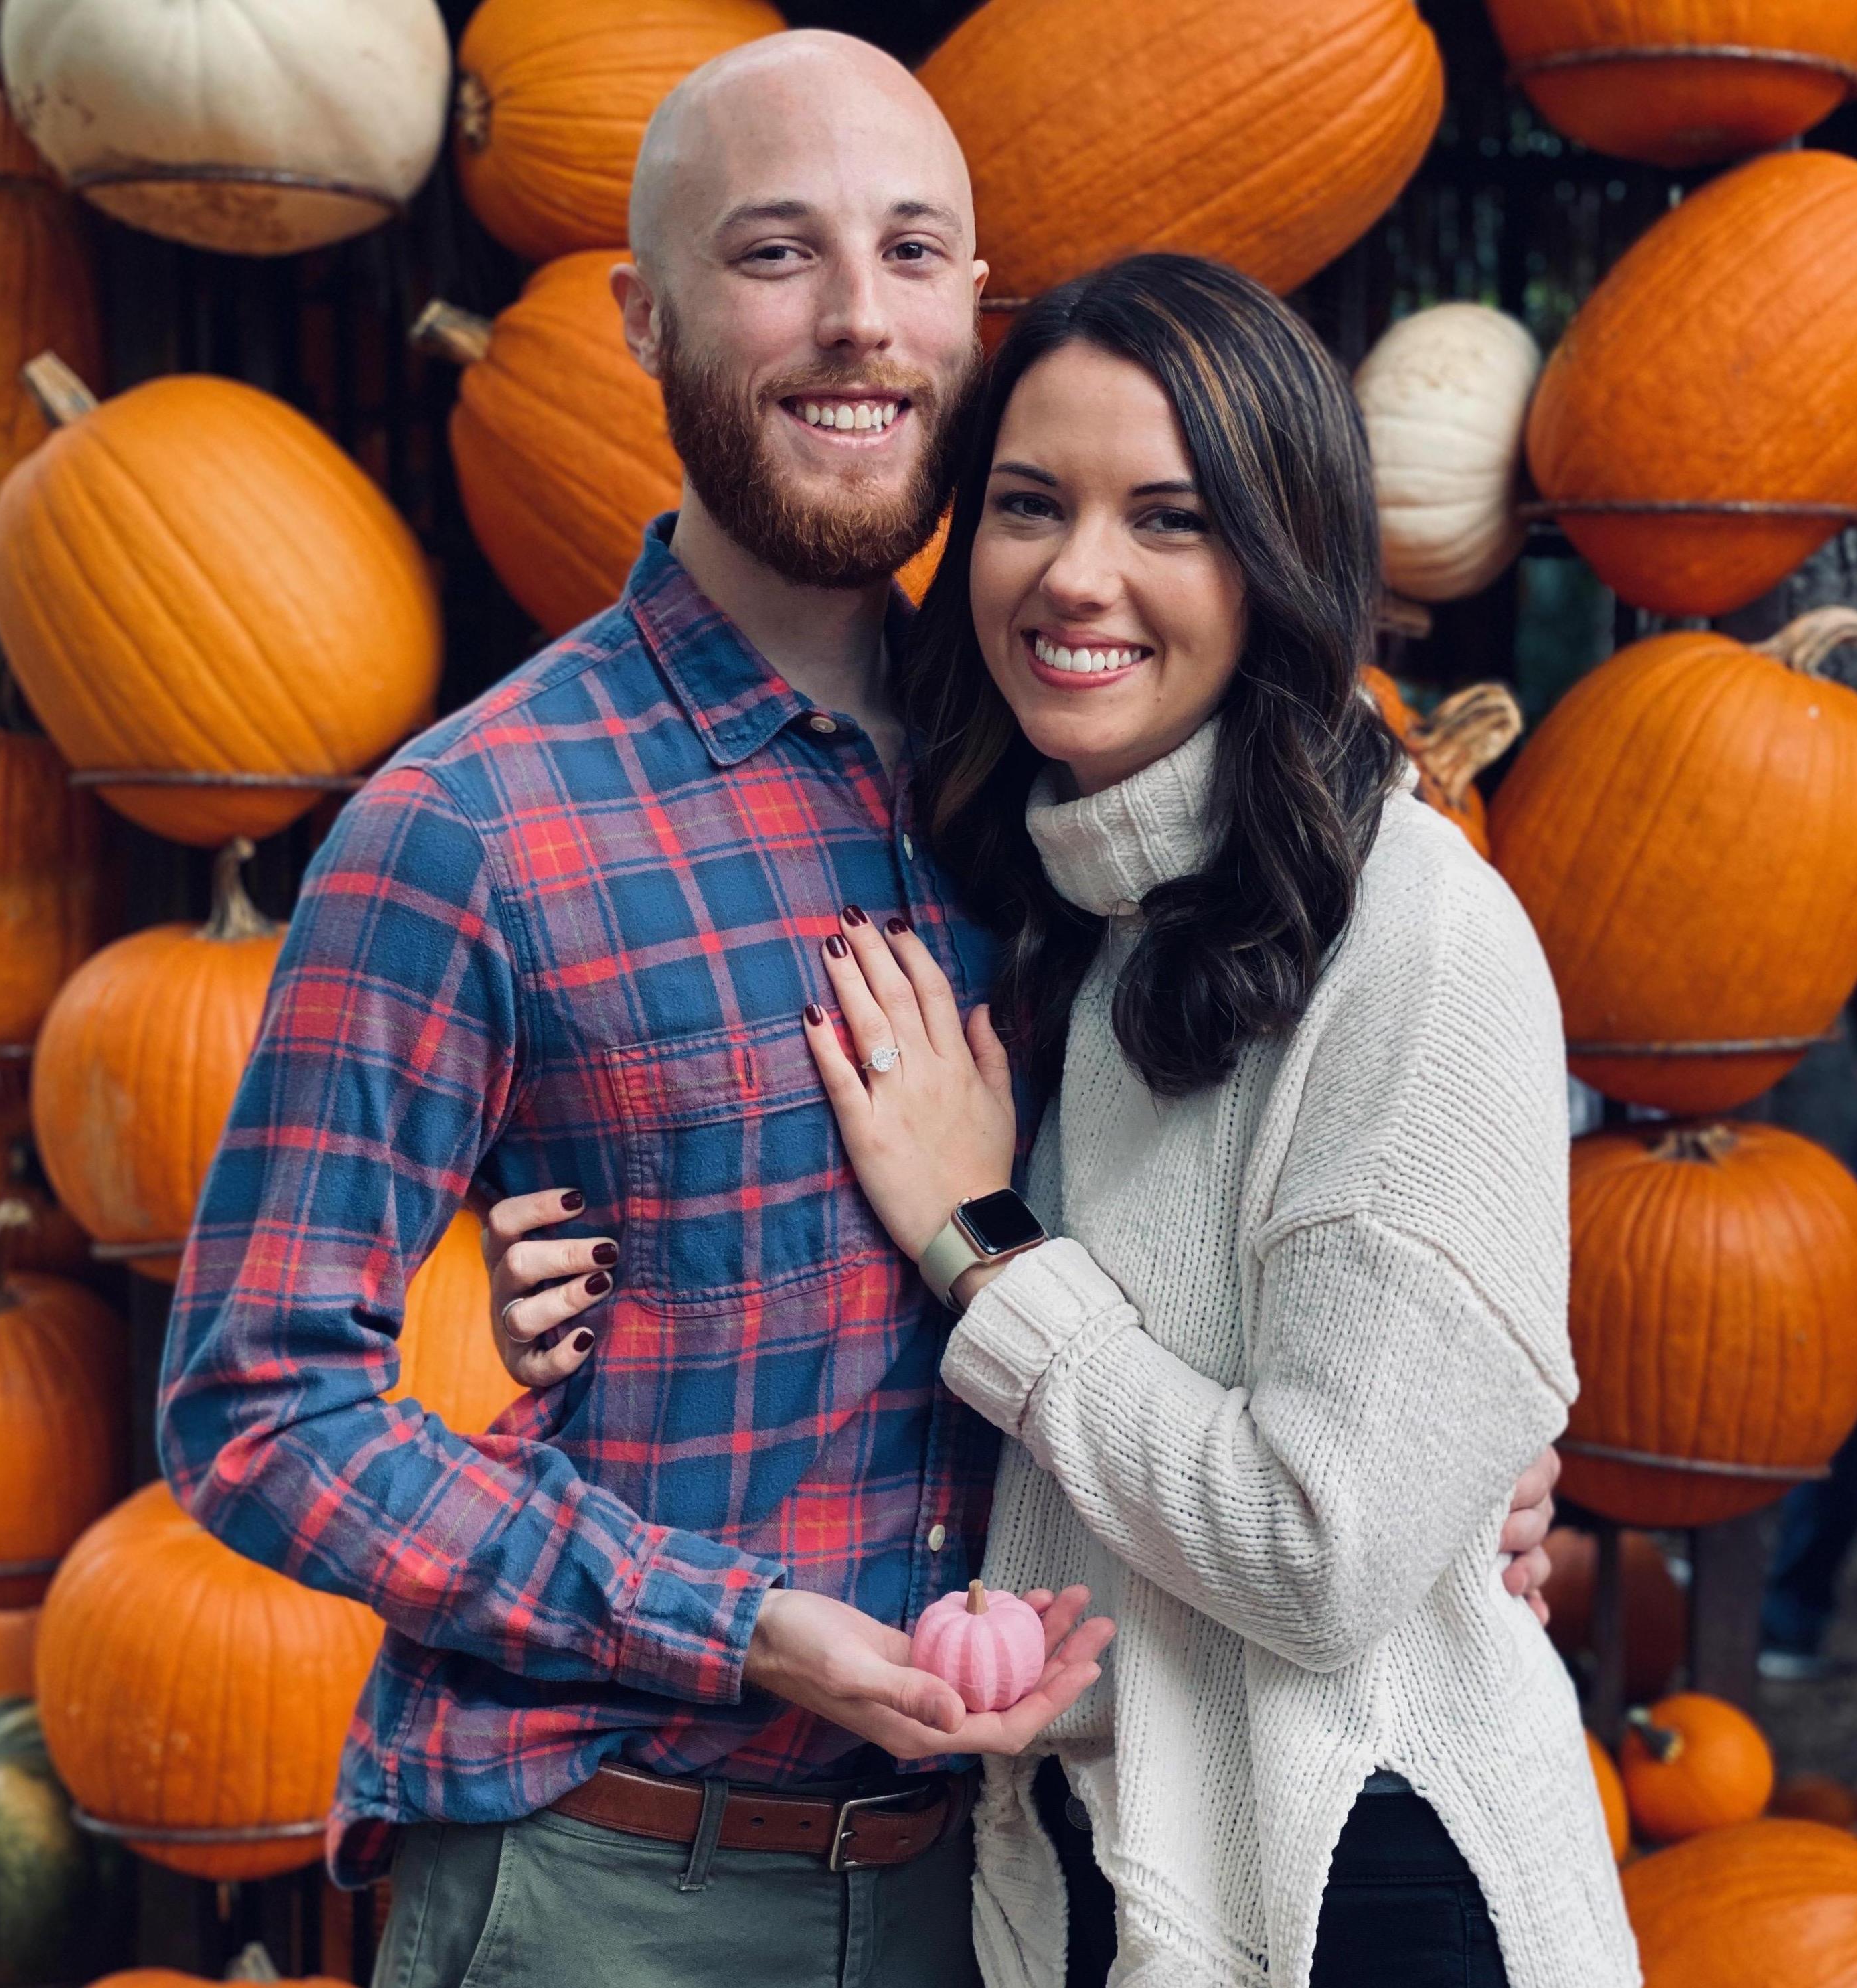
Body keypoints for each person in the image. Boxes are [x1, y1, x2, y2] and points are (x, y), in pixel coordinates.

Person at [159, 29, 1560, 1987]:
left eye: (912, 253)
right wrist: (729, 1618)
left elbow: (1248, 1226)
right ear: (640, 316)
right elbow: (255, 1405)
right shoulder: (468, 825)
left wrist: (1449, 1449)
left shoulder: (1049, 790)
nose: (855, 320)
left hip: (1011, 1879)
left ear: (968, 311)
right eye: (772, 256)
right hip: (617, 1880)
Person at [505, 256, 1630, 1987]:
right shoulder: (1057, 898)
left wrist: (983, 1241)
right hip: (1090, 1855)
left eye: (1167, 518)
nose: (1073, 575)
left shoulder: (1410, 937)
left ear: (1280, 562)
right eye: (1028, 506)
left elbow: (1318, 1551)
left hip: (1357, 1882)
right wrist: (541, 1270)